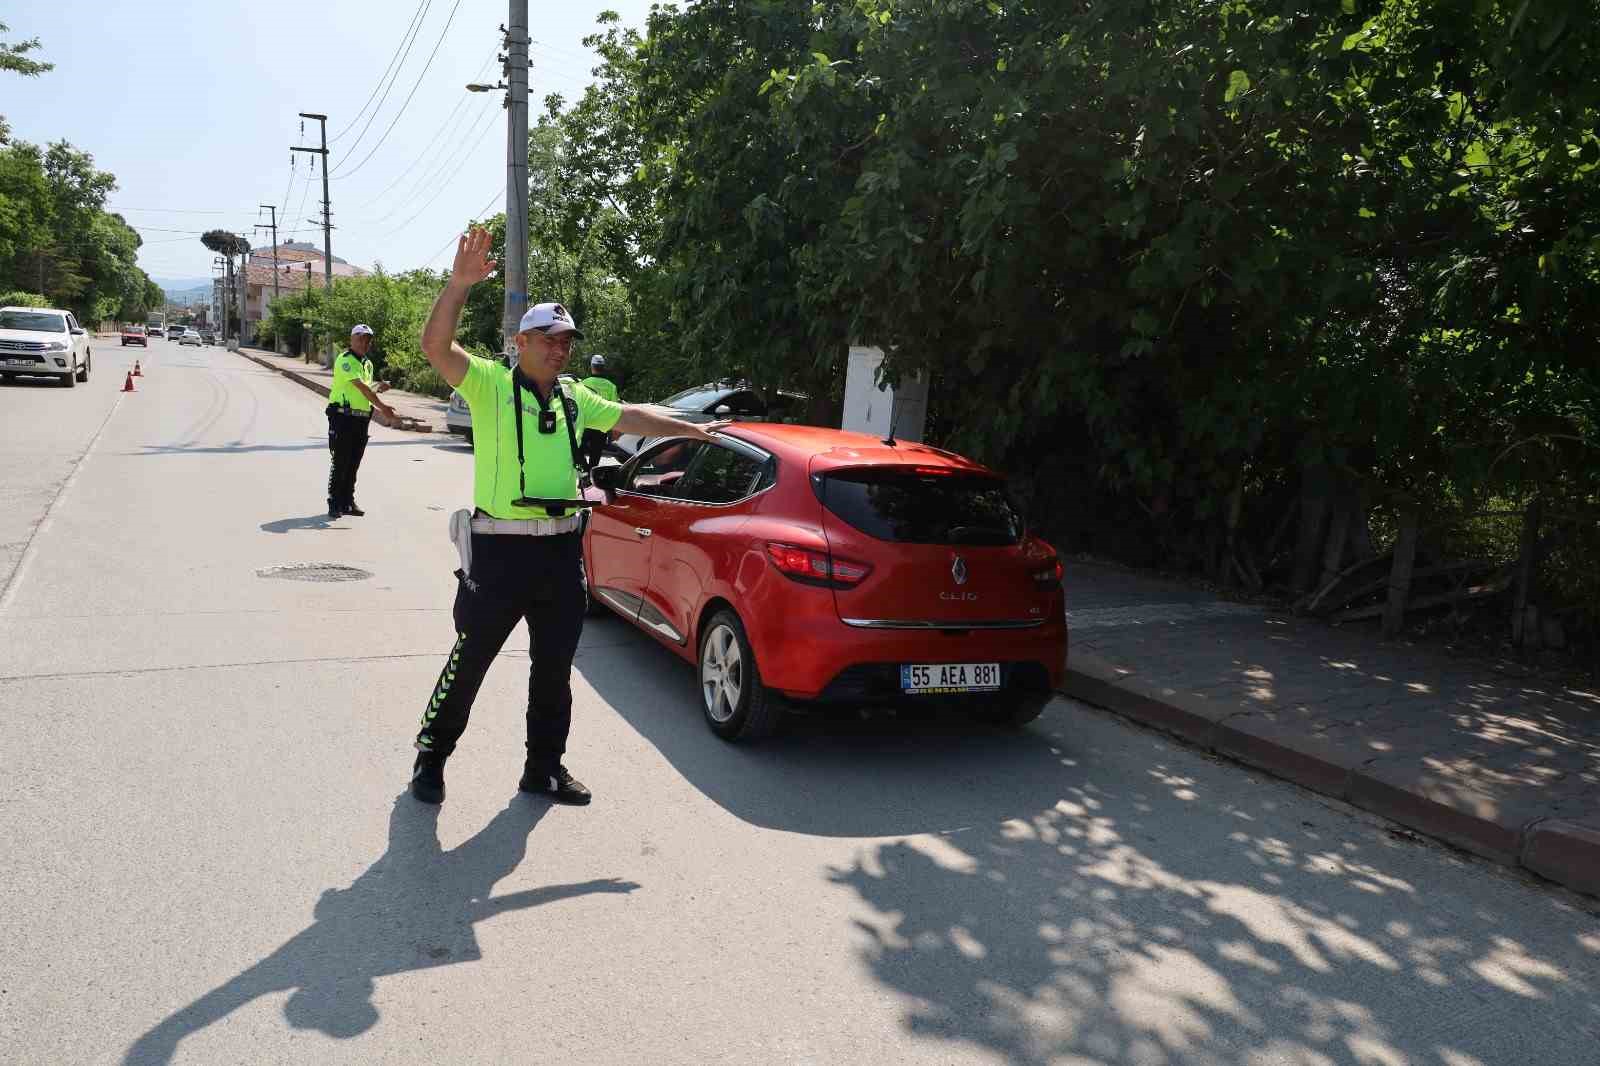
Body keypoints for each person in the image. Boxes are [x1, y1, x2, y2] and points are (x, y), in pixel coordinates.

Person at [408, 226, 724, 806]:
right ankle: (432, 755)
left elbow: (632, 415)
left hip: (560, 552)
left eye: (567, 341)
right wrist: (458, 285)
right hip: (500, 551)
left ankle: (544, 768)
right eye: (549, 339)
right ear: (521, 341)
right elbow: (435, 346)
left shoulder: (576, 398)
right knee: (472, 658)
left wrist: (692, 428)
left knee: (554, 670)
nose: (560, 349)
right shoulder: (487, 385)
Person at [327, 324, 396, 518]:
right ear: (352, 339)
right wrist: (384, 409)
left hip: (361, 418)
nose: (364, 342)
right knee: (340, 461)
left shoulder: (367, 363)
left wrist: (378, 386)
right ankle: (334, 502)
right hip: (343, 417)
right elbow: (361, 388)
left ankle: (348, 501)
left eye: (367, 340)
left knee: (354, 462)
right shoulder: (345, 360)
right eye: (360, 338)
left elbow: (367, 387)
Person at [578, 353, 620, 469]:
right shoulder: (611, 386)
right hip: (602, 426)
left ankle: (585, 470)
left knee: (577, 449)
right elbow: (615, 408)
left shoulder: (583, 383)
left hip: (585, 424)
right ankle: (592, 476)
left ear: (592, 367)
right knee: (595, 454)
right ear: (603, 368)